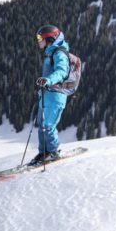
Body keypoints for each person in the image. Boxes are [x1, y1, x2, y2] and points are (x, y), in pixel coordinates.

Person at [28, 25, 70, 166]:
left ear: (50, 38)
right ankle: (44, 152)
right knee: (42, 124)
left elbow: (62, 71)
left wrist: (48, 80)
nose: (38, 41)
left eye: (41, 38)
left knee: (48, 125)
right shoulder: (50, 53)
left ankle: (53, 152)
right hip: (46, 95)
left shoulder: (59, 54)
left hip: (56, 96)